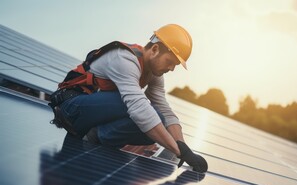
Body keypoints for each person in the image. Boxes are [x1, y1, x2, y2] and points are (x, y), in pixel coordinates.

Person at [49, 24, 207, 173]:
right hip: (71, 107)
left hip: (93, 112)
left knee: (159, 121)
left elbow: (165, 110)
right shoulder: (124, 59)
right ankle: (93, 134)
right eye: (170, 62)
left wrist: (183, 146)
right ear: (155, 49)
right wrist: (179, 152)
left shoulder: (154, 73)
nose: (172, 69)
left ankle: (96, 135)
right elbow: (139, 108)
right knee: (144, 111)